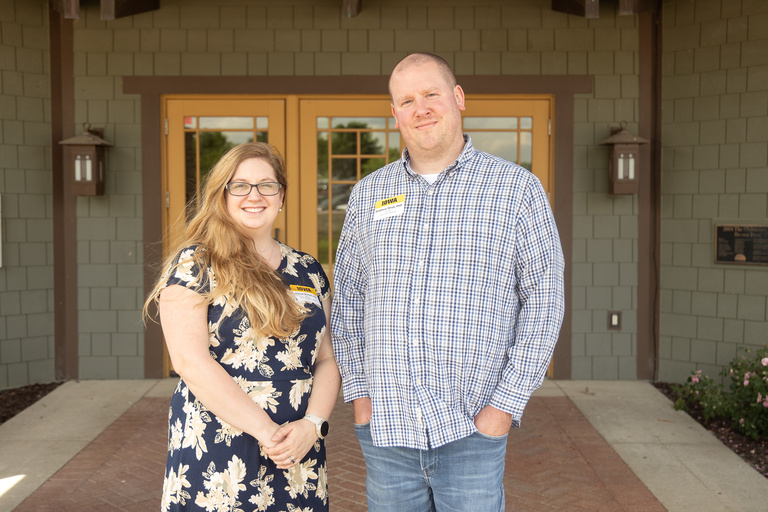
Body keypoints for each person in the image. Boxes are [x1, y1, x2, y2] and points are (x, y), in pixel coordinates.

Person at [331, 52, 565, 511]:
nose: (421, 108)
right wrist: (360, 397)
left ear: (458, 98)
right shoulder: (368, 194)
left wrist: (503, 408)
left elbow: (544, 303)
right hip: (388, 432)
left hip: (471, 429)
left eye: (431, 94)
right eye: (407, 100)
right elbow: (349, 303)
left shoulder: (516, 190)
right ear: (395, 115)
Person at [144, 142, 341, 512]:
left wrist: (312, 425)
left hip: (297, 447)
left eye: (267, 185)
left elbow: (327, 358)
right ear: (222, 195)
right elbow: (190, 363)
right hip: (221, 445)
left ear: (281, 196)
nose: (255, 195)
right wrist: (269, 434)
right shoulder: (196, 265)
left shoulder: (308, 269)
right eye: (240, 185)